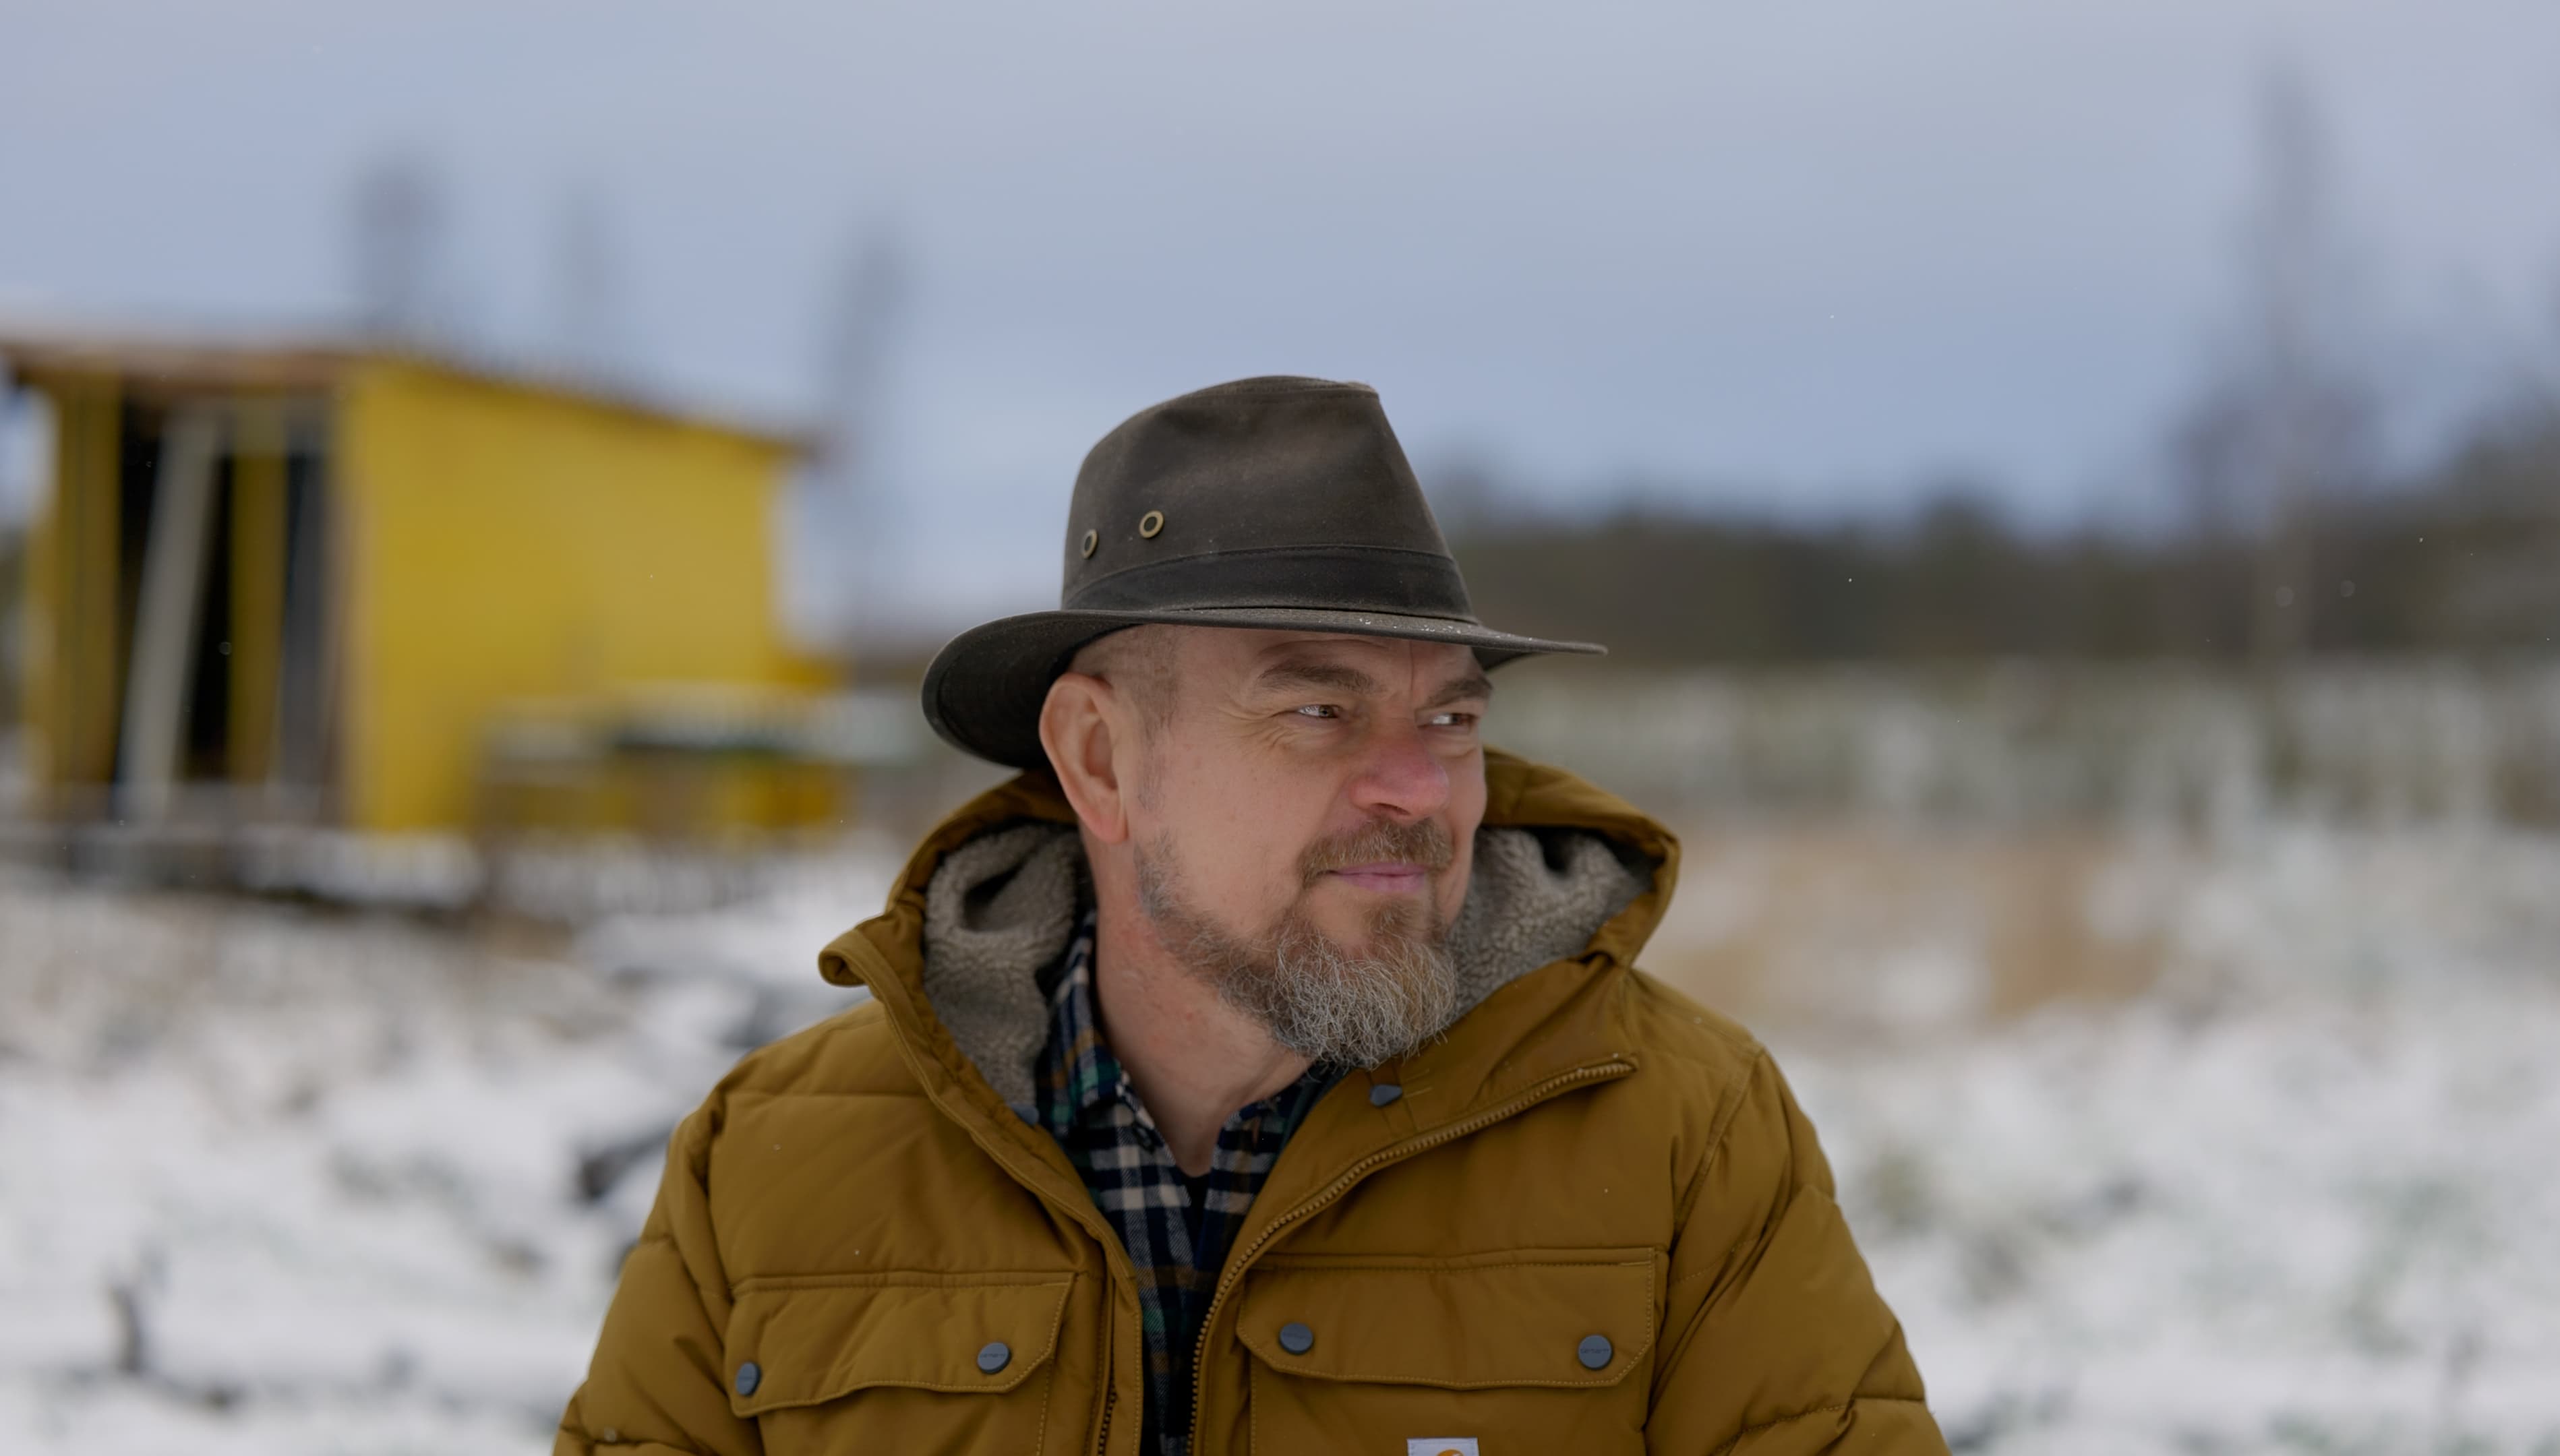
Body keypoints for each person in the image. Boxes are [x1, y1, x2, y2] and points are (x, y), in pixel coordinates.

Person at [558, 377, 1946, 1455]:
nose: (1419, 788)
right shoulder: (774, 1164)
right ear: (1102, 760)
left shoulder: (1681, 1136)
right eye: (1319, 710)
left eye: (1451, 716)